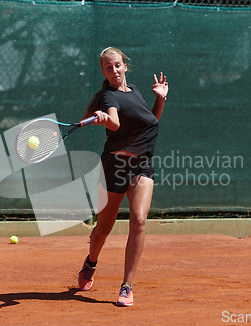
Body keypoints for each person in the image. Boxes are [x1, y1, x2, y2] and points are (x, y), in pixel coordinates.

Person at [78, 47, 168, 307]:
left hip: (142, 165)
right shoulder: (109, 96)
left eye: (117, 65)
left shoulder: (136, 91)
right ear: (104, 72)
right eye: (108, 67)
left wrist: (160, 99)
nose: (114, 70)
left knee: (139, 220)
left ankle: (127, 286)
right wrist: (105, 118)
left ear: (125, 66)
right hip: (115, 166)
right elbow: (115, 124)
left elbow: (150, 121)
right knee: (103, 229)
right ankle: (91, 262)